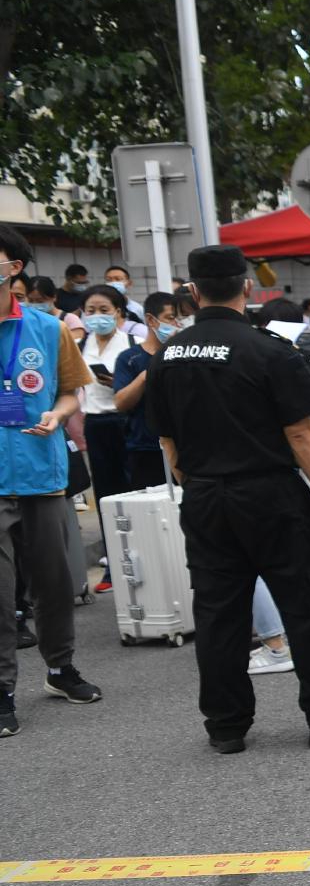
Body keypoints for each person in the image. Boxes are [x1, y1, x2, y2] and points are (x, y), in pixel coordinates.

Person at [146, 244, 310, 754]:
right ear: (247, 287)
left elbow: (168, 443)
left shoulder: (168, 356)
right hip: (269, 493)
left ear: (193, 292)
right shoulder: (267, 350)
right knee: (304, 605)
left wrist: (199, 482)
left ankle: (226, 726)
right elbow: (303, 434)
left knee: (219, 612)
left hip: (204, 496)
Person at [0, 223, 103, 738]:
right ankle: (2, 689)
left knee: (56, 584)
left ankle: (61, 669)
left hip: (41, 473)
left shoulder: (49, 328)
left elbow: (70, 391)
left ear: (13, 267)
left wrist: (57, 415)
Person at [111, 290, 190, 489]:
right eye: (171, 318)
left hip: (186, 445)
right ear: (151, 320)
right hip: (145, 448)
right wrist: (147, 375)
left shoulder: (187, 353)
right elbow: (121, 403)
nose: (177, 325)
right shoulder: (129, 358)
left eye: (181, 319)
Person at [75, 284, 139, 513]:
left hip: (126, 420)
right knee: (104, 486)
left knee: (132, 481)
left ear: (118, 311)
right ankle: (110, 542)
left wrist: (119, 384)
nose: (96, 316)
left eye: (104, 309)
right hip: (94, 422)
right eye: (90, 311)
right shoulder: (80, 346)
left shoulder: (133, 344)